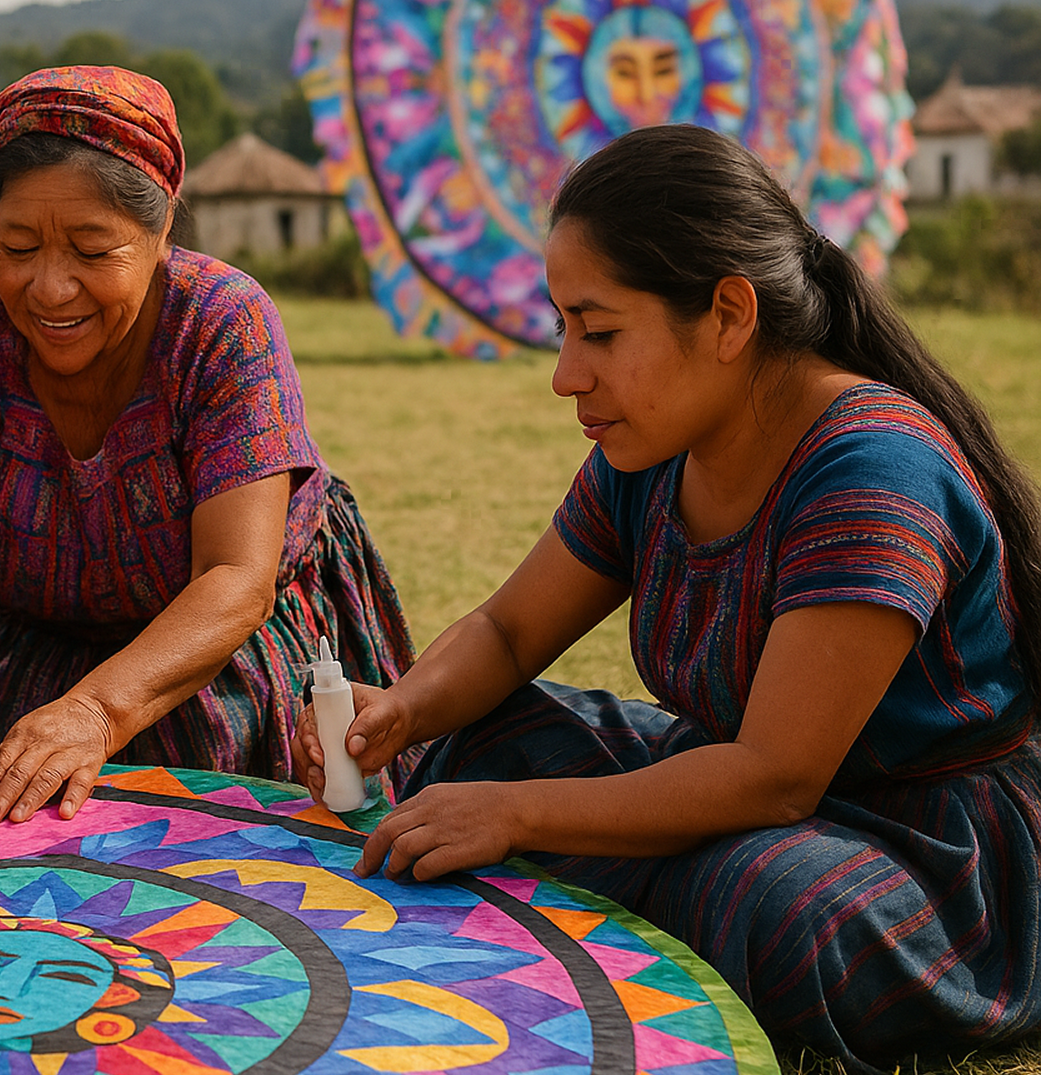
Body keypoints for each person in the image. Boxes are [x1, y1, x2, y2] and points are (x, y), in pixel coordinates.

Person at [300, 123, 1041, 1069]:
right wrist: (401, 713)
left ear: (729, 316)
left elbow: (775, 776)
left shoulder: (871, 469)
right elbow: (509, 630)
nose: (568, 375)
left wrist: (517, 815)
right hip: (728, 780)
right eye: (565, 329)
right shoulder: (651, 453)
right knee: (475, 741)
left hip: (915, 848)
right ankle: (638, 891)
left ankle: (642, 898)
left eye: (601, 332)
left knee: (762, 900)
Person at [0, 65, 414, 837]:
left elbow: (235, 578)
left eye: (91, 250)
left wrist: (94, 712)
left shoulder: (221, 323)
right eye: (17, 247)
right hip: (14, 641)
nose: (50, 288)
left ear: (160, 230)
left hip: (213, 653)